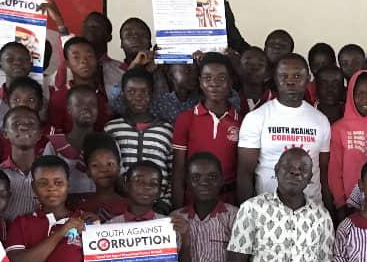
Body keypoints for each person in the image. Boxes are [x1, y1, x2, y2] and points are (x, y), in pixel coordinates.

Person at [236, 53, 332, 206]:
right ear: (275, 78)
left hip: (311, 209)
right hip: (267, 209)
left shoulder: (321, 120)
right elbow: (244, 174)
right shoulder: (256, 118)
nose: (290, 82)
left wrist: (328, 209)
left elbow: (324, 172)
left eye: (297, 76)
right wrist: (247, 212)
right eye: (284, 76)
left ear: (308, 79)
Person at [171, 52, 242, 207]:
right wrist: (177, 210)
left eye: (221, 78)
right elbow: (179, 171)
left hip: (228, 201)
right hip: (192, 201)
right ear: (200, 82)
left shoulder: (241, 122)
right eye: (207, 78)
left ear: (230, 82)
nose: (214, 84)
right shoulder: (186, 119)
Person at [105, 68, 174, 207]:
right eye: (131, 92)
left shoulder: (166, 130)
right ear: (122, 95)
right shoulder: (111, 129)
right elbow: (109, 170)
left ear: (153, 95)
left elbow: (172, 171)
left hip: (158, 205)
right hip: (121, 204)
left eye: (144, 92)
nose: (138, 97)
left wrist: (165, 203)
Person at [328, 70, 367, 210]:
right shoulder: (338, 128)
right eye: (359, 94)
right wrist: (340, 202)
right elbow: (334, 170)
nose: (365, 99)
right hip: (350, 205)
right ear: (351, 95)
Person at [43, 84, 100, 196]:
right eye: (79, 104)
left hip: (100, 205)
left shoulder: (107, 143)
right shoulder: (54, 146)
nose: (86, 108)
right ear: (69, 109)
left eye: (92, 104)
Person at [47, 38, 109, 134]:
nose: (84, 61)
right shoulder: (59, 97)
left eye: (89, 56)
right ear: (67, 64)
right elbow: (55, 134)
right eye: (76, 57)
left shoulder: (106, 93)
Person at [0, 107, 45, 220]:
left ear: (40, 134)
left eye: (31, 124)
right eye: (16, 123)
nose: (23, 127)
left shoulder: (49, 173)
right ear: (5, 133)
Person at [71, 133, 130, 220]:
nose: (103, 169)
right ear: (88, 171)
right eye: (95, 165)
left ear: (118, 168)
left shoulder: (131, 206)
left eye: (110, 164)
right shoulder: (82, 208)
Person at [237, 46, 273, 113]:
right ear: (238, 68)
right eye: (248, 63)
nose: (254, 68)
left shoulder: (278, 101)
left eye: (260, 64)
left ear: (267, 73)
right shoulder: (230, 101)